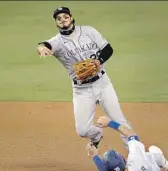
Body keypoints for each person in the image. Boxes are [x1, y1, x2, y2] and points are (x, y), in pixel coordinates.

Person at [36, 7, 132, 149]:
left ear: (71, 17)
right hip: (81, 90)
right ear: (56, 23)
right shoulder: (57, 41)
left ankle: (138, 155)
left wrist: (99, 61)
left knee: (120, 122)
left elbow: (108, 49)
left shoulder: (88, 31)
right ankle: (96, 135)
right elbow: (44, 44)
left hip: (102, 84)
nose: (63, 20)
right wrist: (41, 48)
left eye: (65, 16)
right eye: (59, 18)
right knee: (82, 130)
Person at [86, 116, 168, 171]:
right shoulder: (136, 159)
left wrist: (94, 156)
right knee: (150, 153)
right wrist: (110, 123)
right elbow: (131, 134)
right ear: (123, 160)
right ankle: (165, 164)